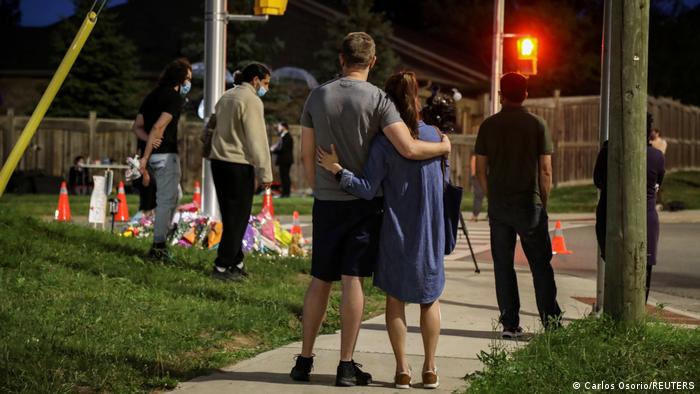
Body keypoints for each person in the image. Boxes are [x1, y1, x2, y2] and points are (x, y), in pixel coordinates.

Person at [289, 32, 450, 387]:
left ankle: (304, 360)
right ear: (373, 61)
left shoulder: (317, 96)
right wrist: (442, 148)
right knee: (352, 280)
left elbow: (305, 154)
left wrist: (321, 187)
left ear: (341, 59)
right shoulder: (379, 100)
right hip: (363, 203)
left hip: (327, 201)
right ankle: (346, 364)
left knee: (319, 280)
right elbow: (407, 148)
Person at [475, 72, 562, 338]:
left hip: (500, 207)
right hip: (529, 204)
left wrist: (492, 196)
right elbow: (545, 170)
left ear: (501, 94)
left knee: (503, 266)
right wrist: (542, 201)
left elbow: (480, 170)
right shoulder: (537, 125)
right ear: (525, 93)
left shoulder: (489, 126)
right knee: (541, 265)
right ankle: (551, 322)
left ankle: (510, 324)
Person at [208, 63, 274, 282]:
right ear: (255, 79)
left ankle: (236, 261)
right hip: (238, 162)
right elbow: (258, 139)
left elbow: (209, 125)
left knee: (229, 214)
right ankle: (221, 265)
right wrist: (265, 173)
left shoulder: (226, 96)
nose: (266, 88)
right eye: (265, 83)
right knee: (239, 217)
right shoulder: (252, 100)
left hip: (218, 161)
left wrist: (205, 146)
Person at [594, 114, 665, 302]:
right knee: (644, 270)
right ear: (649, 132)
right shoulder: (657, 156)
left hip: (611, 215)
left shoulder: (609, 150)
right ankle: (639, 312)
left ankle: (615, 311)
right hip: (646, 218)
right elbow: (659, 182)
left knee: (614, 265)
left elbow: (597, 181)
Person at [137, 58, 192, 262]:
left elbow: (137, 127)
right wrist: (148, 153)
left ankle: (161, 239)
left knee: (174, 195)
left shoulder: (151, 96)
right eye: (188, 79)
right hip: (165, 156)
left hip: (152, 155)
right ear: (180, 78)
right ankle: (158, 247)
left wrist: (147, 146)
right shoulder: (174, 98)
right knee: (166, 201)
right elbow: (158, 127)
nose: (189, 83)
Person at [271, 122, 294, 197]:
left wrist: (273, 150)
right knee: (283, 176)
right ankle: (284, 192)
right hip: (283, 160)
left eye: (280, 127)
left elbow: (283, 149)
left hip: (285, 160)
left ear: (284, 127)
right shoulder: (283, 136)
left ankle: (286, 193)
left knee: (285, 177)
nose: (278, 128)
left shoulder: (287, 136)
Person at [470, 153, 485, 221]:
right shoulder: (476, 153)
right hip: (477, 176)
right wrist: (474, 174)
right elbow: (474, 160)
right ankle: (475, 214)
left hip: (483, 174)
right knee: (478, 195)